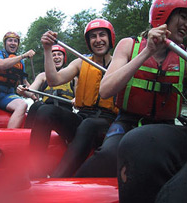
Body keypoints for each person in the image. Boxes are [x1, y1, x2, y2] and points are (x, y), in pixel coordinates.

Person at [77, 0, 187, 194]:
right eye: (183, 17)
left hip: (164, 126)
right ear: (163, 16)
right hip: (127, 120)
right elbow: (106, 90)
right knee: (110, 154)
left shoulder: (183, 55)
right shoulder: (129, 45)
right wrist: (147, 53)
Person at [29, 19, 118, 178]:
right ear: (88, 42)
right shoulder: (80, 62)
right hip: (83, 117)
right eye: (93, 37)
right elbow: (53, 80)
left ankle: (58, 179)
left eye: (102, 35)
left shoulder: (121, 63)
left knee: (89, 125)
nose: (97, 40)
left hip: (108, 124)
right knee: (45, 110)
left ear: (110, 38)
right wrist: (47, 50)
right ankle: (35, 171)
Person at [0, 31, 35, 128]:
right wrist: (23, 55)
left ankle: (10, 135)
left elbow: (24, 83)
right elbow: (2, 64)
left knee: (22, 105)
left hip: (8, 95)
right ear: (5, 43)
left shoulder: (20, 62)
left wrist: (34, 96)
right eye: (10, 40)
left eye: (15, 41)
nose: (13, 43)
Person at [17, 44, 76, 128]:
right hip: (45, 110)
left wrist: (76, 99)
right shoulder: (42, 76)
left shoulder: (73, 77)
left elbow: (80, 97)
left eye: (59, 54)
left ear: (64, 57)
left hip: (65, 111)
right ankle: (27, 134)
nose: (56, 57)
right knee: (36, 105)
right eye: (53, 55)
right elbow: (30, 92)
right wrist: (22, 90)